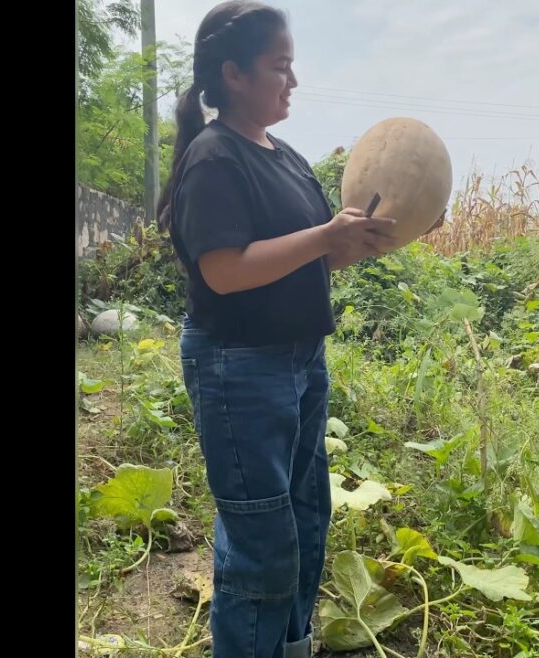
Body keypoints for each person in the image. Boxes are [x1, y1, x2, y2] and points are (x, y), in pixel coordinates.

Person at [154, 2, 397, 657]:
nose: (292, 82)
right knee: (262, 540)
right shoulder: (214, 158)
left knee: (304, 521)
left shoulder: (283, 156)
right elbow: (226, 271)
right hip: (241, 367)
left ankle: (287, 646)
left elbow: (321, 253)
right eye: (280, 68)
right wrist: (324, 233)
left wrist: (368, 236)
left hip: (297, 360)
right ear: (235, 74)